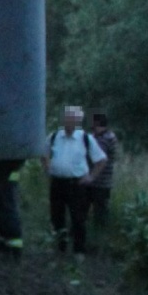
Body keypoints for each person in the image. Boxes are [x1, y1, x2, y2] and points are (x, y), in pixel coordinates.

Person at [41, 105, 107, 256]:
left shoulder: (85, 139)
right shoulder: (54, 136)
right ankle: (60, 247)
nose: (69, 121)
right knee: (56, 216)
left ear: (78, 121)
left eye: (72, 119)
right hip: (57, 183)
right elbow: (43, 153)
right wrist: (48, 168)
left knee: (78, 218)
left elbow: (101, 160)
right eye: (67, 118)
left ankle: (79, 251)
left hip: (76, 184)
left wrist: (91, 177)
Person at [86, 110, 119, 232]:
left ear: (97, 122)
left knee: (100, 212)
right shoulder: (101, 137)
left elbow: (97, 157)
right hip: (96, 181)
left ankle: (99, 235)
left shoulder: (105, 138)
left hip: (100, 182)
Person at [0, 166, 23, 257]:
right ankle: (4, 245)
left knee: (6, 210)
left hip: (5, 172)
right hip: (5, 171)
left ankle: (13, 249)